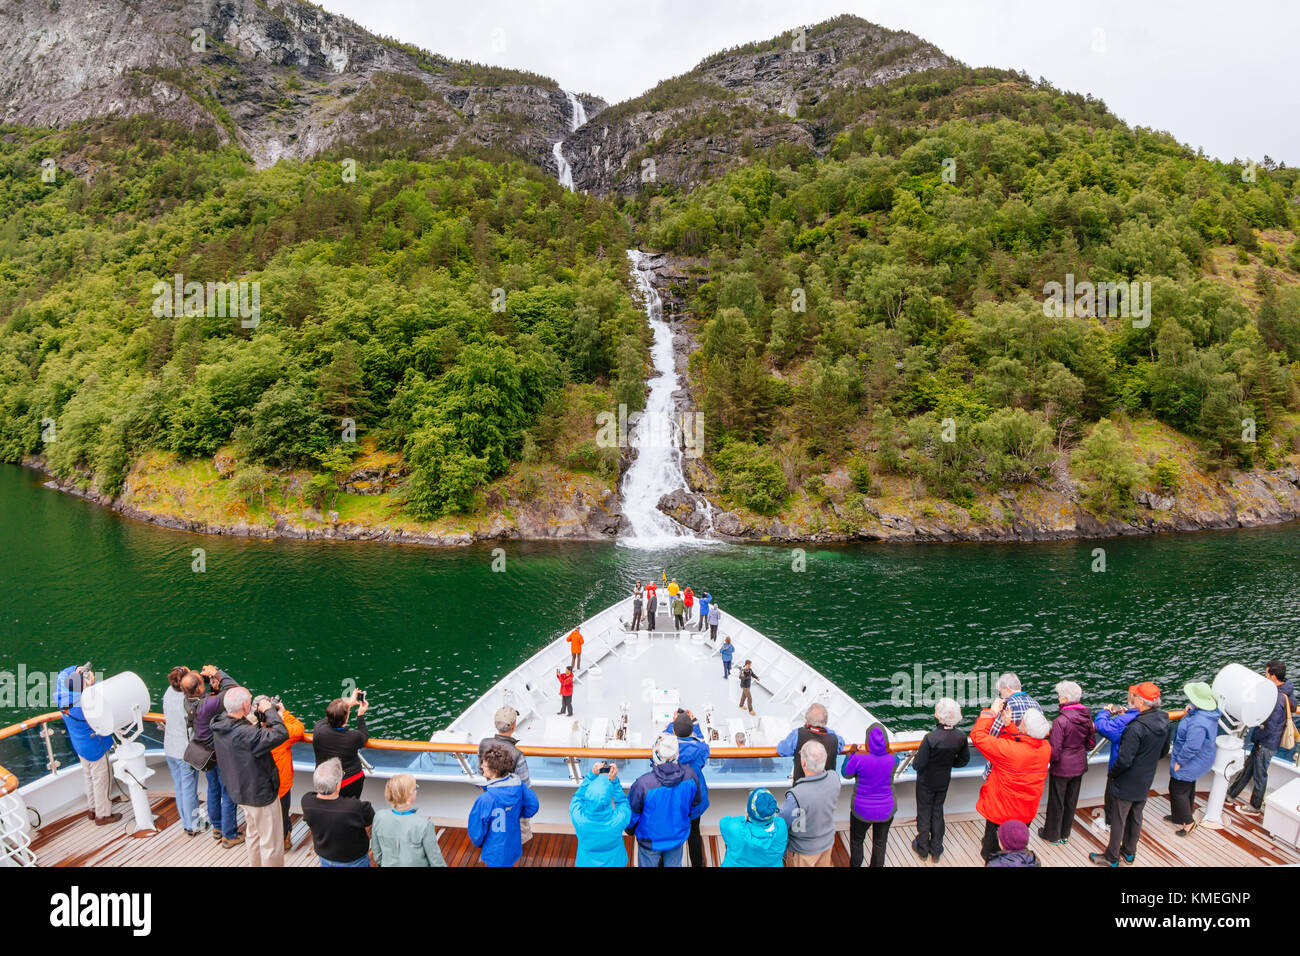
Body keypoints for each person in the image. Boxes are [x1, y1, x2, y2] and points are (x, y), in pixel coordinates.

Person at [1090, 682, 1170, 866]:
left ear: (1141, 702)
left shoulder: (1136, 727)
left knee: (1119, 819)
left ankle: (1111, 857)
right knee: (1136, 816)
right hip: (1146, 777)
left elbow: (1125, 760)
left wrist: (1114, 774)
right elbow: (1164, 751)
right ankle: (1129, 852)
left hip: (1127, 780)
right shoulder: (1164, 720)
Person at [209, 687, 290, 866]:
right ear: (246, 705)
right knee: (271, 843)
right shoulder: (245, 734)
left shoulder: (221, 724)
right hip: (260, 794)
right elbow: (281, 733)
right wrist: (269, 710)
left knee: (253, 835)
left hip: (241, 791)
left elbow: (248, 739)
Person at [971, 696, 1051, 861]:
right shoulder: (1045, 748)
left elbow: (977, 735)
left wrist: (991, 712)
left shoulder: (1011, 751)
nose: (1021, 721)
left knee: (990, 852)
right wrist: (1009, 725)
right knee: (1016, 844)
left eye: (1023, 722)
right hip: (1026, 809)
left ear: (1025, 728)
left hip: (1001, 810)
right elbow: (1027, 742)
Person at [55, 664, 120, 826]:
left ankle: (92, 809)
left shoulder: (62, 694)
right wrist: (92, 683)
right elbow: (103, 698)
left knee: (89, 777)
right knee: (101, 781)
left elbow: (62, 674)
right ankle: (102, 815)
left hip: (79, 744)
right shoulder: (85, 705)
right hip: (96, 747)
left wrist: (76, 669)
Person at [1227, 660, 1294, 818]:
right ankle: (1231, 794)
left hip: (1267, 742)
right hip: (1268, 741)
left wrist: (1255, 734)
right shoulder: (1288, 691)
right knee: (1249, 768)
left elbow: (1271, 725)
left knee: (1259, 774)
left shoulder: (1276, 698)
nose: (1265, 675)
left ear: (1272, 676)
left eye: (1266, 673)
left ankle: (1255, 806)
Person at [626, 733, 701, 867]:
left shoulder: (643, 784)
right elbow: (695, 806)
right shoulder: (690, 776)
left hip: (649, 840)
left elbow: (633, 814)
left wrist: (630, 830)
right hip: (677, 836)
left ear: (655, 753)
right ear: (677, 754)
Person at [911, 697, 969, 861]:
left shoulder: (931, 738)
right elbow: (963, 760)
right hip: (944, 779)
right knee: (937, 811)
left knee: (924, 813)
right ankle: (936, 849)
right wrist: (948, 765)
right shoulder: (960, 737)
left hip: (926, 781)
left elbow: (918, 764)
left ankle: (922, 848)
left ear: (939, 716)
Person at [1041, 680, 1095, 846]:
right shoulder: (1086, 718)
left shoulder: (1060, 721)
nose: (1058, 699)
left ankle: (1052, 835)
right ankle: (1065, 834)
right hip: (1079, 764)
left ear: (1064, 699)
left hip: (1062, 768)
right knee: (1071, 801)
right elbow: (1091, 744)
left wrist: (1050, 762)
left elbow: (1055, 751)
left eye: (1059, 696)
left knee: (1057, 801)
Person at [468, 743, 539, 867]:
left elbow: (476, 832)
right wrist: (515, 813)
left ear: (494, 771)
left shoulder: (485, 799)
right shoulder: (519, 785)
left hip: (494, 852)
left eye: (484, 765)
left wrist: (479, 843)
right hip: (513, 844)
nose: (481, 767)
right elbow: (533, 805)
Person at [1167, 682, 1221, 836]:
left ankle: (1188, 822)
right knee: (1187, 786)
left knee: (1177, 790)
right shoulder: (1209, 713)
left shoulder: (1198, 723)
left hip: (1191, 760)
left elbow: (1192, 746)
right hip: (1203, 758)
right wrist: (1192, 707)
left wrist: (1179, 762)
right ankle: (1179, 816)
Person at [301, 757, 375, 867]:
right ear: (337, 785)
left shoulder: (307, 802)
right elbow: (370, 822)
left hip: (325, 857)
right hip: (353, 859)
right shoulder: (355, 807)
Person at [195, 665, 240, 844]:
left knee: (213, 788)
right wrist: (218, 674)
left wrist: (213, 686)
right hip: (221, 754)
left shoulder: (194, 701)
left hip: (206, 754)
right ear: (200, 688)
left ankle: (217, 826)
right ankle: (229, 835)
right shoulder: (211, 704)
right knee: (228, 792)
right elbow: (235, 691)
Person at [841, 723, 896, 867]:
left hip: (861, 810)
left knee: (857, 841)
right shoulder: (893, 759)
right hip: (886, 809)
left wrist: (850, 754)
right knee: (880, 843)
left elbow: (846, 773)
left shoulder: (859, 758)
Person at [779, 741, 840, 866]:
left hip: (804, 852)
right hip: (827, 842)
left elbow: (782, 823)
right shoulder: (834, 778)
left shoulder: (796, 795)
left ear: (804, 763)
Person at [478, 706, 533, 843]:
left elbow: (480, 771)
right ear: (513, 726)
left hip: (491, 796)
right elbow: (525, 784)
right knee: (518, 832)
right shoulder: (517, 754)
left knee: (494, 828)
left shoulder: (483, 744)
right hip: (511, 802)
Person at [1094, 688, 1142, 841]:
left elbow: (1102, 726)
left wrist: (1105, 712)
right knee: (1134, 804)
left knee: (1112, 797)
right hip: (1140, 768)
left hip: (1120, 766)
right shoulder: (1146, 717)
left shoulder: (1123, 721)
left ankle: (1110, 824)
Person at [664, 710, 710, 867]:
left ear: (674, 731)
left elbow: (662, 739)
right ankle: (698, 864)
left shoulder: (665, 749)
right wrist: (694, 723)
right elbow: (703, 742)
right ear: (691, 731)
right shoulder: (700, 750)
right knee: (694, 835)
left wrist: (673, 723)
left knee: (669, 833)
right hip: (693, 799)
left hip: (672, 799)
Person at [371, 773, 446, 867]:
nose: (416, 790)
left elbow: (377, 853)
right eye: (415, 788)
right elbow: (436, 862)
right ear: (409, 794)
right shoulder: (424, 825)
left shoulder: (379, 817)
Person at [569, 761, 632, 867]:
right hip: (615, 863)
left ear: (588, 796)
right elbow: (622, 803)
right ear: (608, 798)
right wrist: (614, 781)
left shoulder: (579, 818)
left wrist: (591, 776)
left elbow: (577, 798)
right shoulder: (618, 820)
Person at [163, 666, 200, 835]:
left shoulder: (167, 693)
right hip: (185, 751)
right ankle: (193, 825)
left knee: (179, 787)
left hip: (170, 747)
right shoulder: (188, 700)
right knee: (188, 789)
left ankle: (185, 822)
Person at [312, 693, 370, 799]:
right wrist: (360, 715)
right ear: (346, 718)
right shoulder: (354, 737)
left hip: (325, 780)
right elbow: (364, 735)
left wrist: (347, 704)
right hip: (350, 781)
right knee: (349, 806)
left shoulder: (319, 729)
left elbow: (330, 717)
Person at [776, 704, 844, 784]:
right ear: (825, 722)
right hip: (827, 789)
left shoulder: (797, 734)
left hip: (801, 788)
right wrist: (824, 729)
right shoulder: (834, 739)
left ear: (807, 720)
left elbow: (782, 750)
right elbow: (840, 744)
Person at [720, 788, 788, 867]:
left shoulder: (734, 828)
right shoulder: (781, 826)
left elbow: (724, 821)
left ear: (749, 810)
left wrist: (747, 817)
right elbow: (776, 820)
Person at [271, 702, 306, 851]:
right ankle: (284, 840)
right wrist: (284, 714)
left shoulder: (251, 730)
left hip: (259, 784)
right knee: (282, 814)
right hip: (281, 784)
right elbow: (299, 729)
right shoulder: (280, 735)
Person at [988, 672, 1043, 738]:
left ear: (1007, 689)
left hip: (1012, 745)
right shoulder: (1035, 703)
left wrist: (992, 711)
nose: (1001, 696)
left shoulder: (1007, 704)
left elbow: (994, 733)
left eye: (1001, 692)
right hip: (1033, 744)